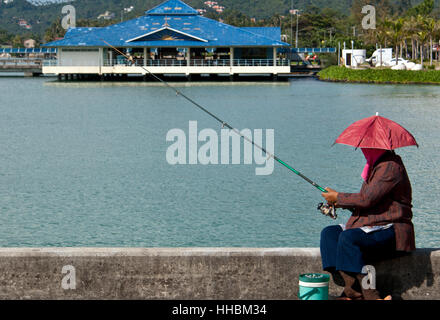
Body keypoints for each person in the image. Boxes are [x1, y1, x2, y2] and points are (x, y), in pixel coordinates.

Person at [320, 148, 415, 300]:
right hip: (372, 224)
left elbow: (367, 199)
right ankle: (352, 289)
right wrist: (338, 202)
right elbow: (370, 202)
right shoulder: (376, 166)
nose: (364, 150)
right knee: (329, 234)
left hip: (393, 230)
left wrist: (338, 197)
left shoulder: (390, 167)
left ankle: (371, 295)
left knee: (349, 238)